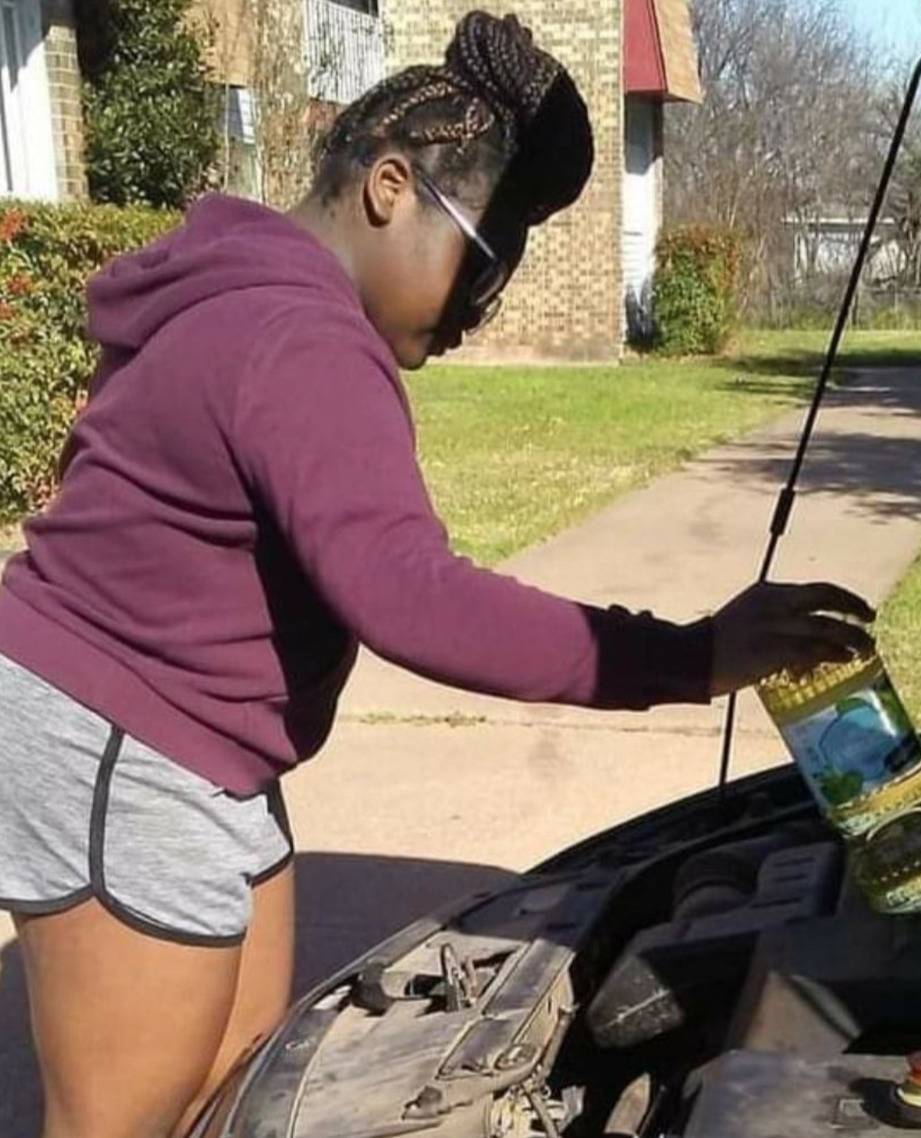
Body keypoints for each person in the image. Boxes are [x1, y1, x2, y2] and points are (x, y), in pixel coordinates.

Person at [0, 12, 873, 1137]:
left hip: (203, 740)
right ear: (390, 186)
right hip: (118, 742)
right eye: (481, 258)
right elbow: (415, 596)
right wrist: (697, 655)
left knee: (242, 1082)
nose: (479, 308)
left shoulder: (255, 303)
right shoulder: (297, 339)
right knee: (125, 1117)